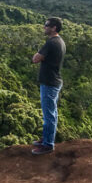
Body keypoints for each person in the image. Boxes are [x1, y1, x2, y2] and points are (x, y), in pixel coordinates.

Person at [30, 17, 66, 155]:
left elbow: (35, 59)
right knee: (52, 113)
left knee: (49, 115)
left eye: (47, 25)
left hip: (50, 83)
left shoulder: (51, 43)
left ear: (54, 28)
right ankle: (47, 138)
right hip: (54, 81)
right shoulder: (60, 41)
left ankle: (48, 145)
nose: (44, 27)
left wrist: (39, 53)